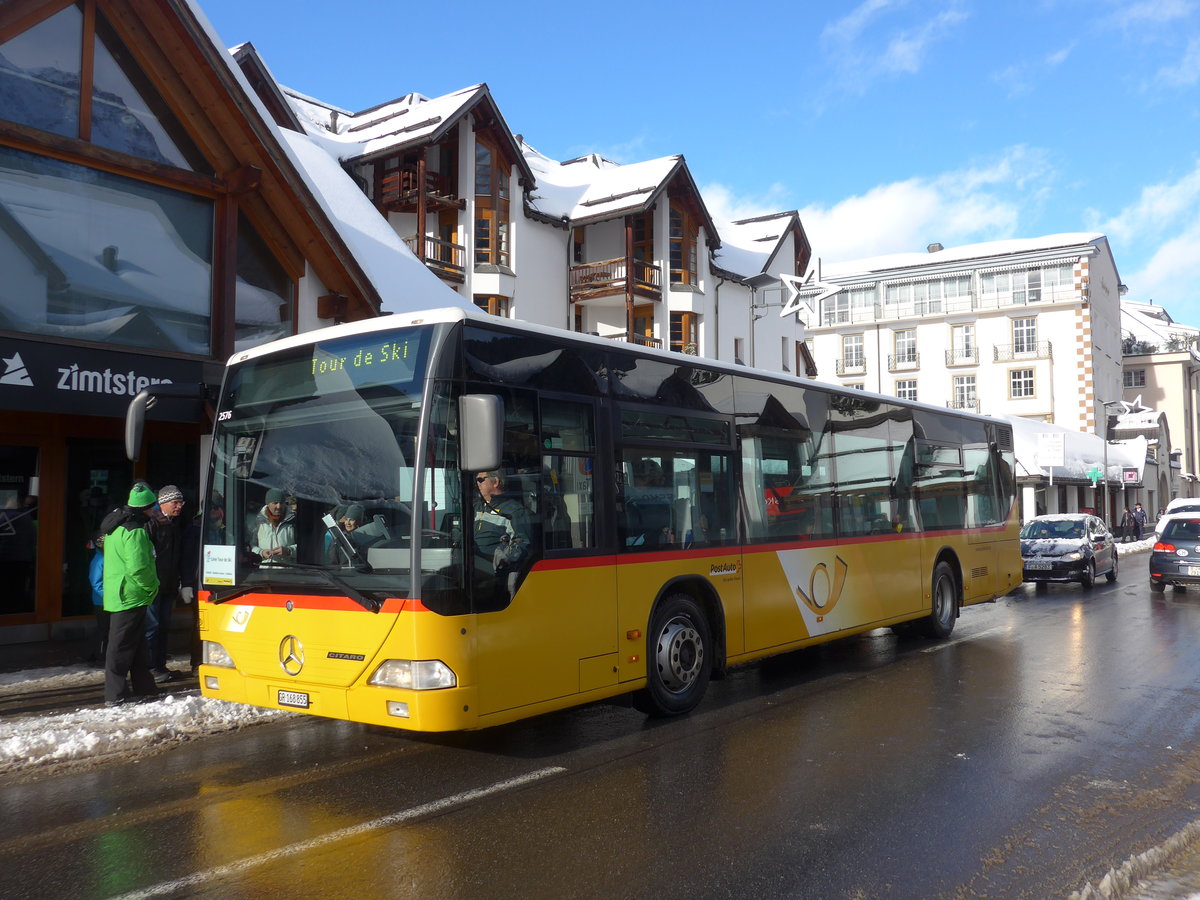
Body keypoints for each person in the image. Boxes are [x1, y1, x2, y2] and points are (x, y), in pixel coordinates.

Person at [100, 484, 160, 706]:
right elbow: (138, 568)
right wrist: (152, 586)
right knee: (122, 645)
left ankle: (145, 686)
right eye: (153, 506)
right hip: (130, 594)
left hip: (121, 592)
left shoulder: (116, 527)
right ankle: (116, 694)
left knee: (136, 644)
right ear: (145, 507)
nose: (155, 510)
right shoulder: (134, 531)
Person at [145, 484, 188, 683]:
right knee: (152, 627)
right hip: (154, 585)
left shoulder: (174, 524)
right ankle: (150, 668)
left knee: (163, 627)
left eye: (181, 502)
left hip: (168, 584)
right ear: (163, 503)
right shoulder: (152, 523)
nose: (179, 506)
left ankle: (159, 666)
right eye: (175, 502)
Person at [472, 471, 529, 603]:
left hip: (492, 573)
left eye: (481, 480)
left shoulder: (513, 511)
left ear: (496, 482)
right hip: (470, 566)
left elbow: (522, 545)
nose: (477, 484)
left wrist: (503, 555)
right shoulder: (476, 506)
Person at [253, 488, 296, 564]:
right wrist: (261, 552)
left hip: (288, 572)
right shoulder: (258, 522)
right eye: (275, 503)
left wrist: (289, 551)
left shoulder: (293, 521)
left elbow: (305, 548)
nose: (279, 506)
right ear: (268, 504)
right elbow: (250, 545)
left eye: (281, 503)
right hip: (263, 572)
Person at [87, 535, 108, 666]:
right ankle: (100, 657)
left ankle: (99, 655)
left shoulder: (105, 558)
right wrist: (107, 596)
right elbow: (96, 583)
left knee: (106, 630)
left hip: (107, 600)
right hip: (102, 601)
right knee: (104, 630)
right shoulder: (99, 559)